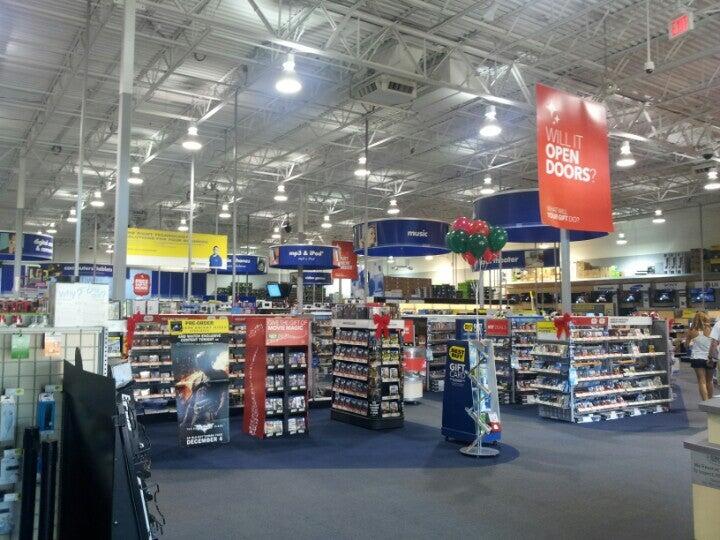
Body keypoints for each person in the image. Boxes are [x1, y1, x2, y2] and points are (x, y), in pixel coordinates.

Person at [687, 312, 715, 402]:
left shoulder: (692, 331)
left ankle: (705, 402)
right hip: (710, 357)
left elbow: (686, 345)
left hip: (697, 358)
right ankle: (710, 402)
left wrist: (691, 343)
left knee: (701, 381)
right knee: (710, 381)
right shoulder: (711, 330)